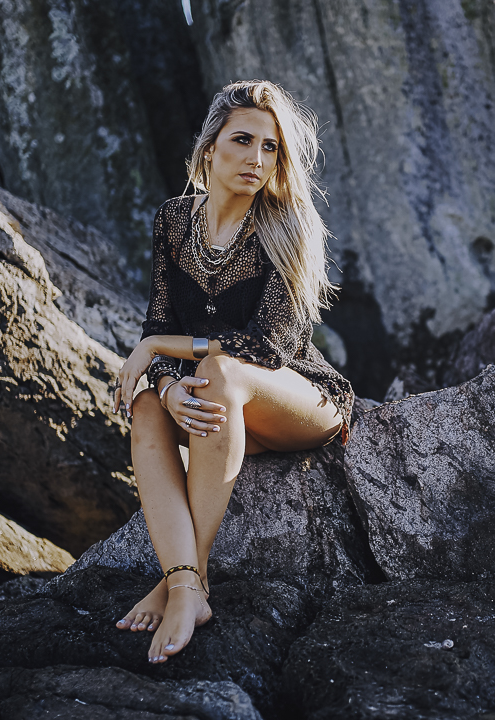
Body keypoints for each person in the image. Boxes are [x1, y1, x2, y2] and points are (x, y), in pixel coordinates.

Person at [109, 81, 354, 664]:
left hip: (301, 399)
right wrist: (167, 387)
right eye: (243, 140)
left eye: (271, 148)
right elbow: (160, 318)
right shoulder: (173, 221)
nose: (256, 159)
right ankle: (185, 582)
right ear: (209, 147)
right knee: (145, 406)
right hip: (227, 412)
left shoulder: (287, 224)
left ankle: (186, 582)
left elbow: (270, 346)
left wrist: (158, 348)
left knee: (223, 371)